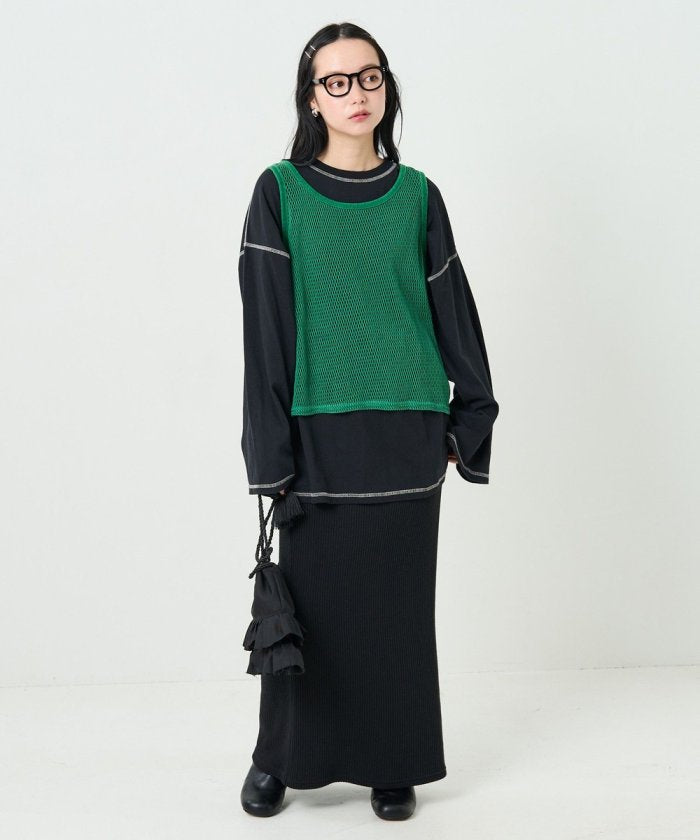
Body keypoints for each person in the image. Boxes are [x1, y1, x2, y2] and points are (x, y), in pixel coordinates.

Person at [238, 22, 499, 821]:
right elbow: (266, 331)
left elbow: (452, 308)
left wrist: (468, 418)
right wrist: (271, 451)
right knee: (312, 611)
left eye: (370, 77)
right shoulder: (279, 193)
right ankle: (281, 759)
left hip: (407, 432)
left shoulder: (418, 195)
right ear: (312, 98)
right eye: (337, 81)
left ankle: (395, 760)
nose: (356, 94)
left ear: (387, 87)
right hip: (316, 436)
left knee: (396, 612)